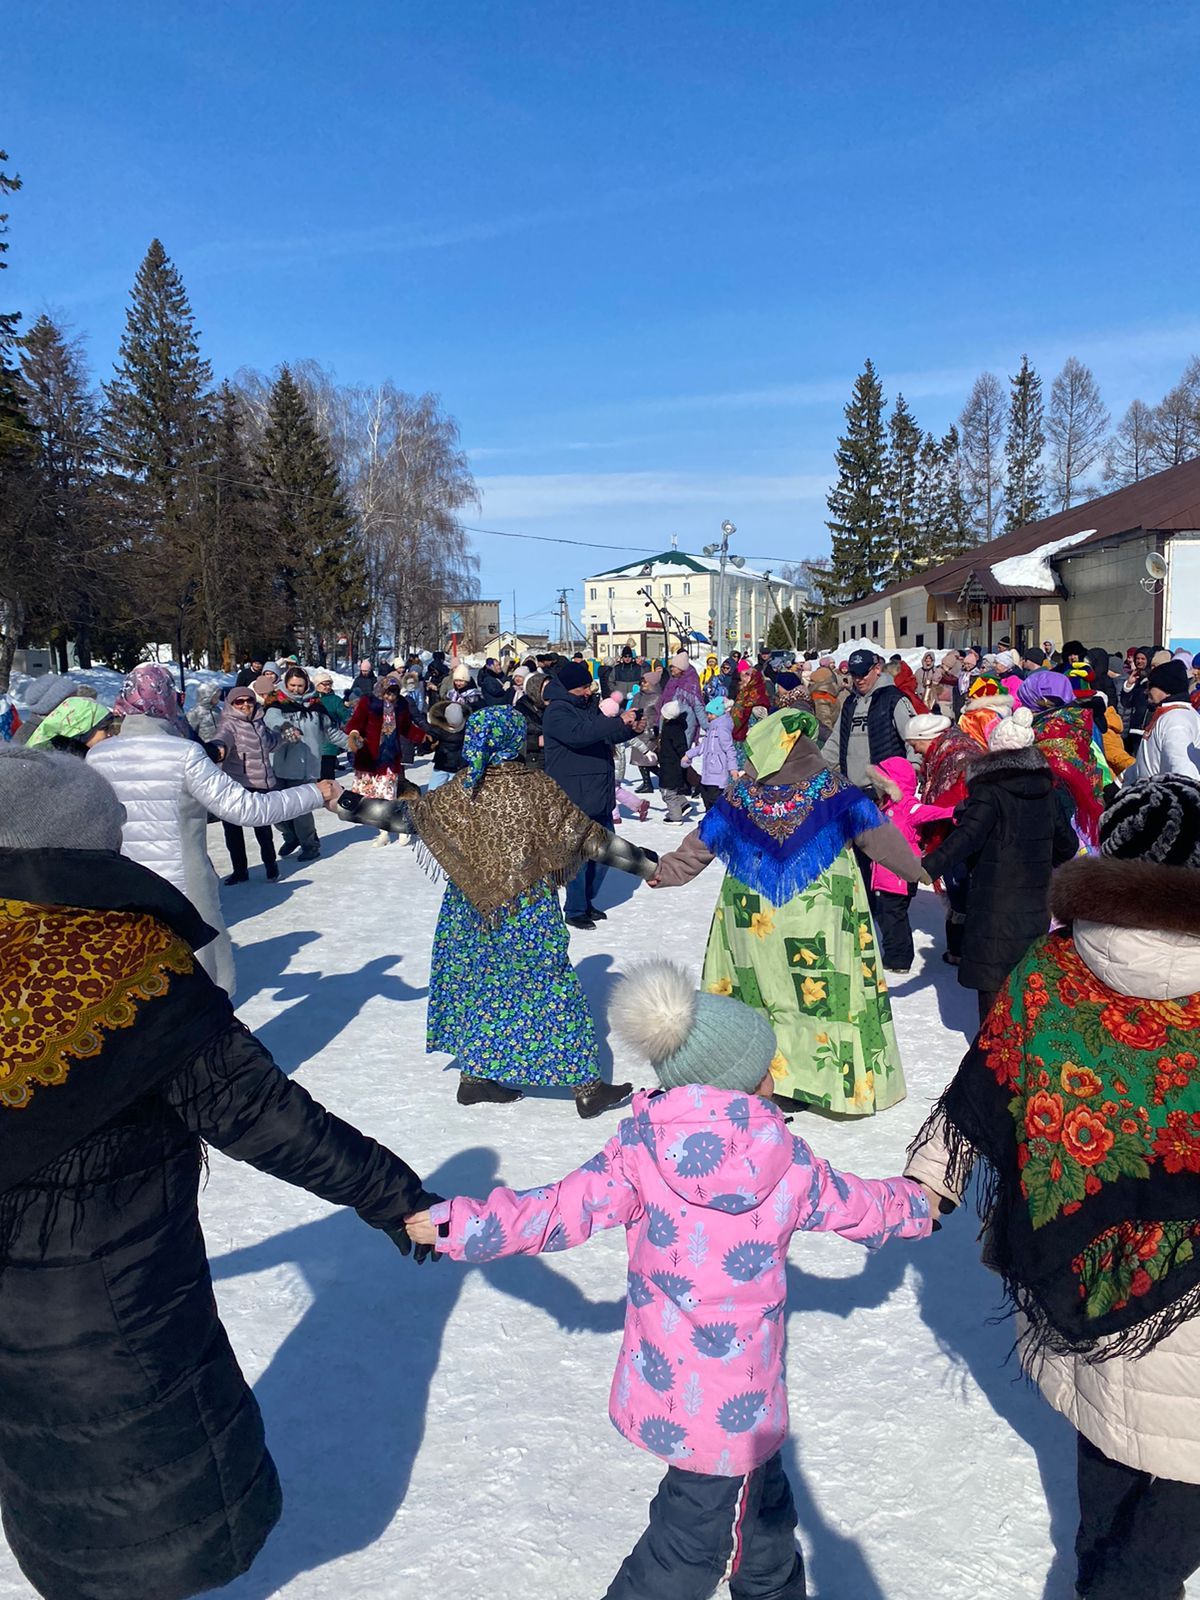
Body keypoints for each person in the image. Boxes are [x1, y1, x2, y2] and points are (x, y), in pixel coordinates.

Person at [0, 746, 442, 1600]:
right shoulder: (124, 963)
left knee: (59, 1490)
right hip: (124, 1311)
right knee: (142, 1510)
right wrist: (398, 1199)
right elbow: (259, 1113)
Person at [404, 961, 933, 1599]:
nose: (773, 1076)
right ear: (738, 1084)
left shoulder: (638, 1152)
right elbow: (858, 1204)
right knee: (686, 1555)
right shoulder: (785, 1161)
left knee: (761, 1533)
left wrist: (459, 1223)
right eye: (764, 1066)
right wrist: (921, 1204)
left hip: (675, 1391)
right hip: (735, 1416)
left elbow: (550, 1213)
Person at [907, 774, 1200, 1600]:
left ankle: (1099, 1580)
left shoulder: (1057, 966)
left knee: (1109, 1434)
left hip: (1081, 1268)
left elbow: (981, 1085)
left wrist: (928, 1186)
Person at [342, 707, 657, 1115]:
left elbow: (407, 817)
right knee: (552, 988)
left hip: (468, 909)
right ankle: (586, 1087)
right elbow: (590, 839)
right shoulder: (535, 788)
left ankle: (474, 1079)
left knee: (478, 984)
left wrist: (349, 803)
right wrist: (646, 865)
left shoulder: (460, 790)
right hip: (526, 910)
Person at [650, 709, 922, 1116]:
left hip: (752, 922)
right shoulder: (835, 791)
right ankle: (824, 1083)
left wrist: (665, 872)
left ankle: (762, 1076)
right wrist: (924, 869)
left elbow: (699, 845)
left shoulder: (741, 796)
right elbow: (883, 842)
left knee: (760, 996)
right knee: (823, 999)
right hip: (821, 920)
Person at [89, 665, 332, 994]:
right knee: (207, 976)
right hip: (185, 885)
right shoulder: (185, 754)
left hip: (125, 885)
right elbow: (249, 808)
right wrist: (315, 792)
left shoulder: (97, 756)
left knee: (143, 969)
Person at [921, 706, 1078, 1026]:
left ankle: (993, 1061)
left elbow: (968, 837)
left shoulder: (989, 791)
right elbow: (1068, 845)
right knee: (1025, 980)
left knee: (993, 984)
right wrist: (1037, 866)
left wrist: (927, 867)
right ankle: (1022, 1054)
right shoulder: (1046, 791)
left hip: (994, 901)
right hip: (1035, 902)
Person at [543, 659, 641, 930]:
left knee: (605, 855)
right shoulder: (557, 712)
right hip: (575, 796)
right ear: (570, 688)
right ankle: (575, 910)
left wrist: (629, 728)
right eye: (584, 687)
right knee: (580, 859)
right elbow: (581, 735)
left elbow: (603, 734)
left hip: (598, 793)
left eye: (589, 686)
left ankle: (587, 902)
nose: (589, 691)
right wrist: (616, 721)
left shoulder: (585, 707)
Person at [864, 758, 956, 974]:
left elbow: (929, 812)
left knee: (893, 917)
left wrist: (956, 810)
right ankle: (895, 954)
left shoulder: (906, 806)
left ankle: (899, 959)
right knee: (888, 916)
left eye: (882, 781)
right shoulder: (886, 805)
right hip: (885, 873)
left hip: (899, 875)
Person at [265, 666, 350, 862]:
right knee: (276, 811)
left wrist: (352, 744)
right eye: (292, 685)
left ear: (307, 685)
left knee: (302, 812)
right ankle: (290, 836)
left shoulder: (316, 705)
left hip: (306, 766)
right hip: (279, 764)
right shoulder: (277, 702)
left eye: (300, 686)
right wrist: (285, 727)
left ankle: (310, 845)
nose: (296, 689)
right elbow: (272, 720)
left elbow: (331, 732)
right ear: (286, 684)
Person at [345, 675, 426, 848]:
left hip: (389, 758)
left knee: (388, 796)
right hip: (369, 757)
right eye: (388, 693)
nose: (391, 697)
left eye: (394, 693)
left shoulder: (401, 705)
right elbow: (355, 723)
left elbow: (406, 728)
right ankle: (383, 833)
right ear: (381, 691)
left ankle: (403, 829)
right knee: (372, 799)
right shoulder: (368, 702)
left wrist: (422, 736)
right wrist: (353, 734)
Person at [216, 686, 286, 884]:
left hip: (260, 783)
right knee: (233, 829)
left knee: (263, 829)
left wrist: (284, 737)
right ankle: (240, 871)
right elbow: (222, 738)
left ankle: (271, 867)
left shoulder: (259, 720)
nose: (245, 704)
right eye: (239, 701)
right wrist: (217, 747)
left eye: (249, 700)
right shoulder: (228, 723)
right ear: (231, 704)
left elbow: (270, 742)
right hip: (236, 783)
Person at [832, 647, 916, 790]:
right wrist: (815, 770)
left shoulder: (893, 698)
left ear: (877, 669)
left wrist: (912, 770)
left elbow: (913, 738)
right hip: (854, 789)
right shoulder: (850, 703)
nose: (858, 679)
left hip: (887, 788)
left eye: (863, 673)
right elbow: (835, 742)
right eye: (854, 674)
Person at [656, 653, 704, 824]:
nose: (672, 670)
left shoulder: (690, 684)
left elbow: (698, 706)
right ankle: (682, 800)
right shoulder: (672, 681)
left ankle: (693, 786)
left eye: (674, 667)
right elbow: (664, 702)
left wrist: (707, 726)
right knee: (673, 761)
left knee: (679, 758)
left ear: (682, 668)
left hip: (685, 727)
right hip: (669, 723)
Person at [1134, 658, 1200, 780]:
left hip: (1162, 796)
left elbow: (1182, 770)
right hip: (1150, 792)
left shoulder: (1177, 720)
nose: (1146, 691)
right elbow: (1149, 758)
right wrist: (1120, 782)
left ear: (1166, 689)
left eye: (1151, 686)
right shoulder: (1167, 714)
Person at [683, 695, 739, 810]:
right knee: (706, 796)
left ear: (718, 713)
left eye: (711, 714)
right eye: (707, 713)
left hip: (718, 773)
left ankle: (714, 822)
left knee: (714, 801)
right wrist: (689, 754)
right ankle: (709, 820)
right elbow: (703, 746)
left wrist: (733, 769)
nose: (708, 716)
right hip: (708, 772)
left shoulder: (722, 728)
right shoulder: (712, 728)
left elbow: (729, 749)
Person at [25, 695, 117, 755]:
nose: (110, 734)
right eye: (105, 728)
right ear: (80, 729)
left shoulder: (64, 756)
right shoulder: (52, 764)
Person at [424, 697, 468, 790]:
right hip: (442, 764)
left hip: (460, 765)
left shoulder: (468, 728)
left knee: (457, 792)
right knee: (433, 790)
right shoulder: (438, 728)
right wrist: (429, 744)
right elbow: (428, 743)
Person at [312, 670, 349, 780]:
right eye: (324, 684)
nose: (327, 687)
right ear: (317, 685)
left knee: (327, 777)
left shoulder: (335, 700)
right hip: (312, 743)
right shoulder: (310, 699)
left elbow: (346, 717)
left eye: (329, 684)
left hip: (329, 743)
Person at [729, 660, 770, 755]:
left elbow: (763, 718)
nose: (744, 678)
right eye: (743, 675)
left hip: (750, 738)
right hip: (738, 736)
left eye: (748, 675)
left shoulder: (759, 693)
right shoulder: (743, 692)